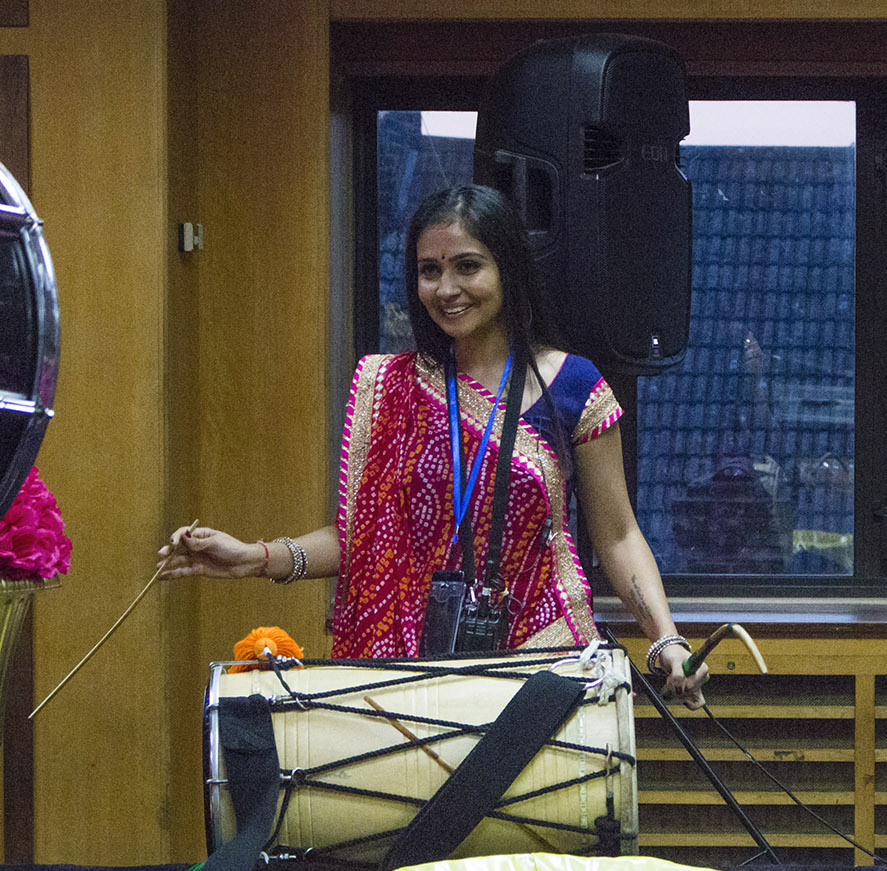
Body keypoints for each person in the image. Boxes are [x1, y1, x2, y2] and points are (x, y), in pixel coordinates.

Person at [158, 184, 707, 707]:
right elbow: (363, 540)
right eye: (429, 270)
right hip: (412, 681)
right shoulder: (392, 386)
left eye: (467, 266)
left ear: (507, 270)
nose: (446, 289)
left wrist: (665, 640)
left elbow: (618, 534)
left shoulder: (572, 386)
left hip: (544, 665)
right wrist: (254, 559)